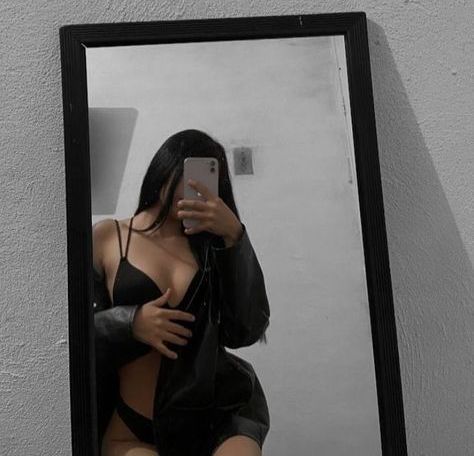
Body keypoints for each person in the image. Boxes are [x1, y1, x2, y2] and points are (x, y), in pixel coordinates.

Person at [92, 129, 271, 456]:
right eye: (188, 173)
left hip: (219, 418)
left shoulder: (213, 247)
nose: (195, 187)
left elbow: (246, 330)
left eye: (206, 178)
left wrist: (235, 236)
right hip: (132, 428)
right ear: (166, 166)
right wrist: (130, 323)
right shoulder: (109, 237)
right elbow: (71, 335)